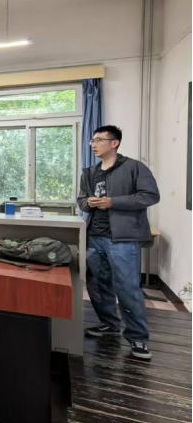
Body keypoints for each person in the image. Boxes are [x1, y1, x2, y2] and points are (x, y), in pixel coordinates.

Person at [78, 125, 161, 361]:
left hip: (122, 238)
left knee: (127, 288)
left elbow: (150, 196)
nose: (93, 144)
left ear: (114, 143)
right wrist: (88, 203)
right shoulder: (90, 172)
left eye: (98, 140)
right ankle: (109, 324)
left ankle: (138, 338)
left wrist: (113, 202)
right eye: (92, 141)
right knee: (97, 284)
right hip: (94, 236)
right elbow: (81, 200)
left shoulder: (134, 167)